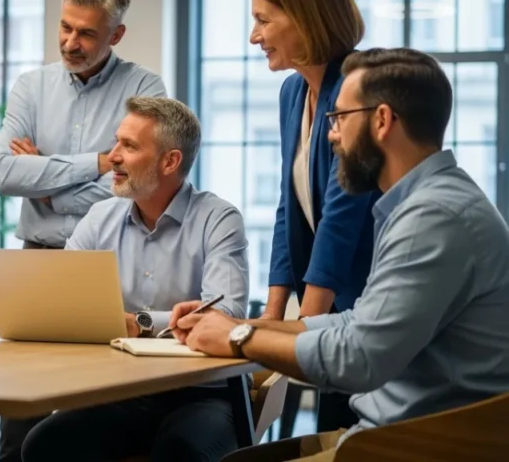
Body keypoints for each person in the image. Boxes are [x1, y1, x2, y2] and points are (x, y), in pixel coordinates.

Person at [172, 48, 509, 462]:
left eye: (340, 118)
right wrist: (239, 324)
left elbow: (358, 358)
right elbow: (356, 322)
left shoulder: (432, 215)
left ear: (382, 120)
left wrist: (239, 339)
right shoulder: (425, 203)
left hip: (410, 445)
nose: (332, 136)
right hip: (391, 435)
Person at [0, 0, 167, 461]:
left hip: (105, 261)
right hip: (36, 260)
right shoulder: (31, 86)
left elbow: (139, 185)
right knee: (19, 402)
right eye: (65, 27)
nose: (71, 42)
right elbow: (6, 173)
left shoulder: (145, 87)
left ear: (117, 34)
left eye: (87, 33)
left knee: (99, 402)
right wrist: (99, 162)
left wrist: (48, 187)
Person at [19, 97, 249, 462]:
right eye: (117, 142)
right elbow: (61, 298)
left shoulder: (218, 219)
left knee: (180, 452)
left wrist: (140, 323)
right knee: (43, 445)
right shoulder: (100, 217)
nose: (112, 156)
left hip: (203, 392)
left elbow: (226, 315)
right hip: (122, 390)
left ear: (170, 161)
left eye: (129, 146)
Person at [249, 0, 380, 433]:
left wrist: (301, 330)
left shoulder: (356, 87)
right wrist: (272, 316)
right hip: (329, 304)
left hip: (366, 297)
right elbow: (291, 207)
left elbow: (342, 215)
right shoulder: (292, 92)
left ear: (306, 18)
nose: (254, 36)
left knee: (346, 433)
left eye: (264, 20)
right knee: (330, 430)